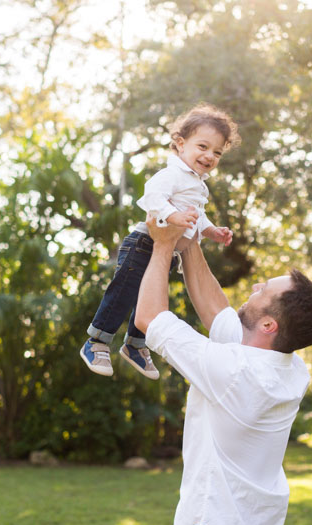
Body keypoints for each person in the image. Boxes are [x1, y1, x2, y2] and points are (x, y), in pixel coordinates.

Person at [134, 210, 312, 525]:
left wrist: (162, 245)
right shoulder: (289, 370)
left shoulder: (236, 371)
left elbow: (149, 318)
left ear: (269, 325)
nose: (255, 285)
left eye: (263, 291)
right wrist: (190, 244)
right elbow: (218, 314)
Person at [80, 103, 241, 380]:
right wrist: (173, 215)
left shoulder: (197, 183)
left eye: (217, 152)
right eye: (202, 146)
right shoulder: (173, 174)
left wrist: (212, 231)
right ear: (180, 144)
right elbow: (153, 197)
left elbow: (196, 216)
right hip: (143, 242)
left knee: (150, 297)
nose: (209, 156)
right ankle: (96, 341)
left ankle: (135, 345)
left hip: (164, 251)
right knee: (125, 293)